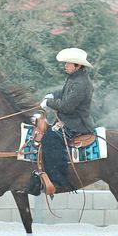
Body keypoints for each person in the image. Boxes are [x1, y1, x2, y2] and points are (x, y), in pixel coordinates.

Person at [27, 48, 96, 195]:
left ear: (78, 65)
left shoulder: (81, 83)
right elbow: (65, 93)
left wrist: (50, 103)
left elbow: (67, 106)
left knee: (50, 139)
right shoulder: (75, 78)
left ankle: (59, 181)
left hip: (76, 123)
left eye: (68, 63)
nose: (65, 66)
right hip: (69, 120)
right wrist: (52, 95)